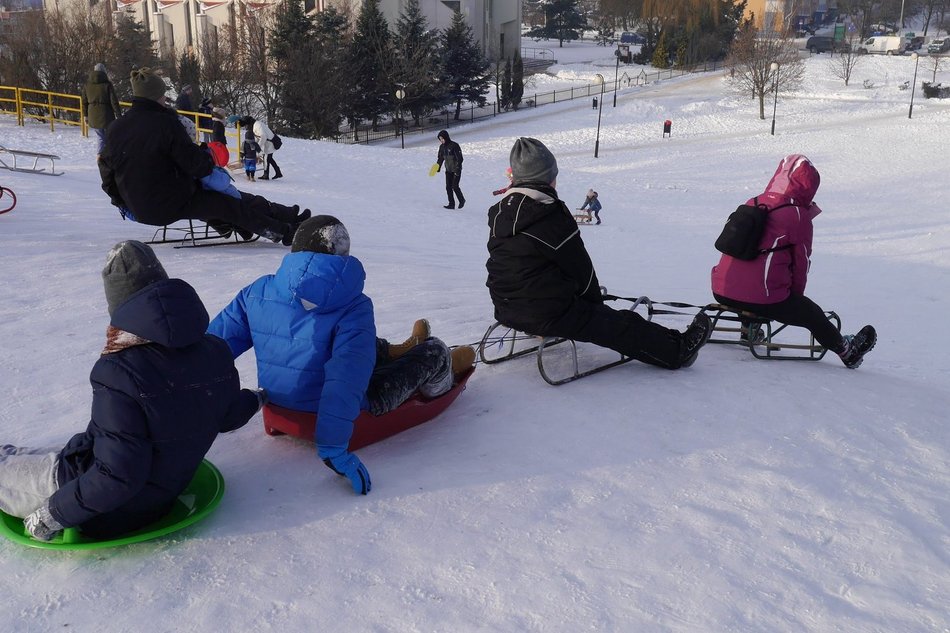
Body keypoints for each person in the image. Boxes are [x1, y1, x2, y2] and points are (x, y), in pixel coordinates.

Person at [0, 241, 264, 541]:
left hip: (105, 510)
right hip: (155, 492)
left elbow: (118, 475)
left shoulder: (119, 371)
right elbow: (227, 413)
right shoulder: (215, 350)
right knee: (38, 456)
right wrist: (257, 398)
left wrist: (55, 513)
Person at [207, 216, 476, 495]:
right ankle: (441, 369)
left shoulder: (256, 292)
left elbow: (209, 350)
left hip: (278, 403)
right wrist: (332, 447)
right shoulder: (353, 305)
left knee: (349, 344)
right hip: (339, 411)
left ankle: (398, 350)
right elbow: (345, 379)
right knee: (434, 351)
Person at [486, 137, 711, 370]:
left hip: (504, 307)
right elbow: (580, 269)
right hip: (544, 313)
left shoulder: (500, 212)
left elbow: (515, 264)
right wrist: (595, 306)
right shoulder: (549, 215)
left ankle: (536, 319)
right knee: (618, 324)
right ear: (547, 178)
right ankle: (678, 350)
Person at [98, 67, 308, 245]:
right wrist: (206, 155)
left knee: (228, 198)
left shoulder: (116, 127)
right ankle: (285, 232)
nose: (165, 99)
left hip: (138, 206)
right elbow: (197, 165)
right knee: (229, 202)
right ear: (156, 96)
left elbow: (105, 170)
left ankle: (285, 215)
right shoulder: (166, 125)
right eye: (163, 95)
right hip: (168, 203)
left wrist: (122, 201)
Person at [711, 154, 876, 368]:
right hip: (762, 299)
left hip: (721, 290)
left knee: (752, 274)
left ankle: (748, 328)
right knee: (811, 313)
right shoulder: (798, 215)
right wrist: (795, 299)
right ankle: (847, 351)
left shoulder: (753, 202)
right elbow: (801, 264)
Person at [82, 63, 121, 156]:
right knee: (108, 137)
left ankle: (100, 156)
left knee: (100, 137)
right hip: (106, 115)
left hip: (92, 115)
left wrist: (85, 115)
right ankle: (105, 157)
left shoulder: (87, 84)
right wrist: (118, 115)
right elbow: (114, 101)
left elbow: (84, 101)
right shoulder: (107, 84)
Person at [436, 130, 465, 209]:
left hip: (456, 169)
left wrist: (457, 169)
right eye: (440, 139)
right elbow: (440, 158)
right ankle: (451, 204)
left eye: (442, 138)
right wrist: (437, 167)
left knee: (455, 186)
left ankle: (462, 200)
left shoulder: (454, 145)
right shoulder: (442, 147)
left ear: (446, 137)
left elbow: (460, 159)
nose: (441, 140)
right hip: (448, 170)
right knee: (448, 187)